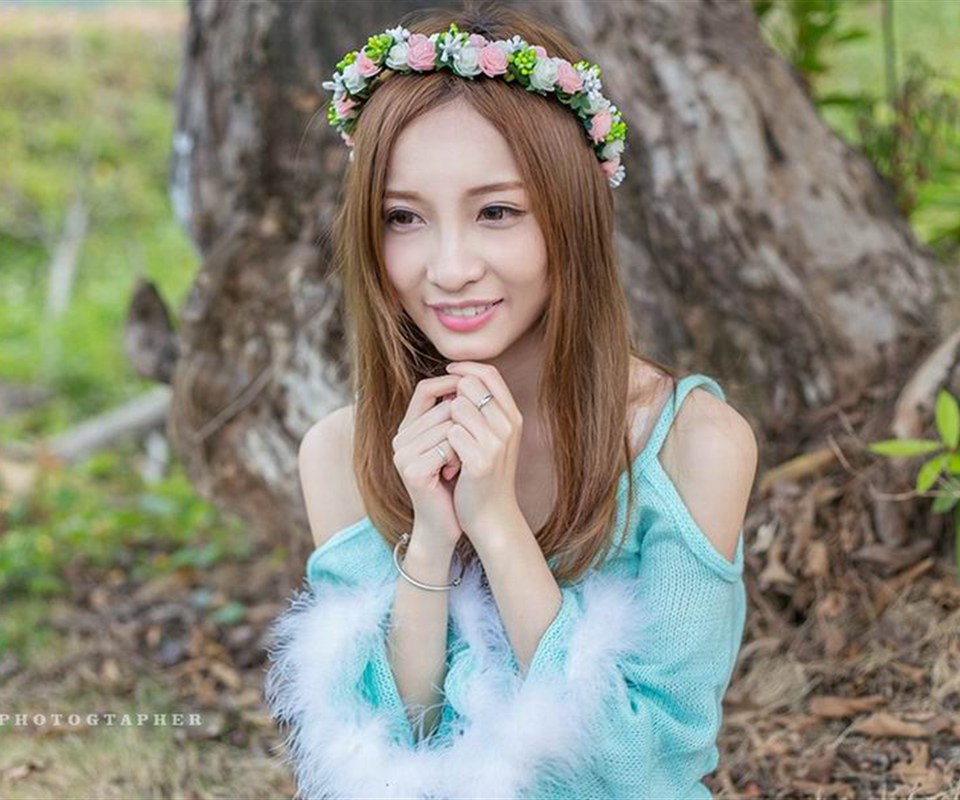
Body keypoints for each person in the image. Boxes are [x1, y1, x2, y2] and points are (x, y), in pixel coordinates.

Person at [265, 2, 759, 798]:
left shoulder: (692, 445)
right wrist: (431, 540)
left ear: (572, 217)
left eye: (496, 211)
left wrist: (496, 526)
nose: (450, 267)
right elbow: (380, 753)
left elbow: (643, 765)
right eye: (403, 217)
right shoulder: (339, 453)